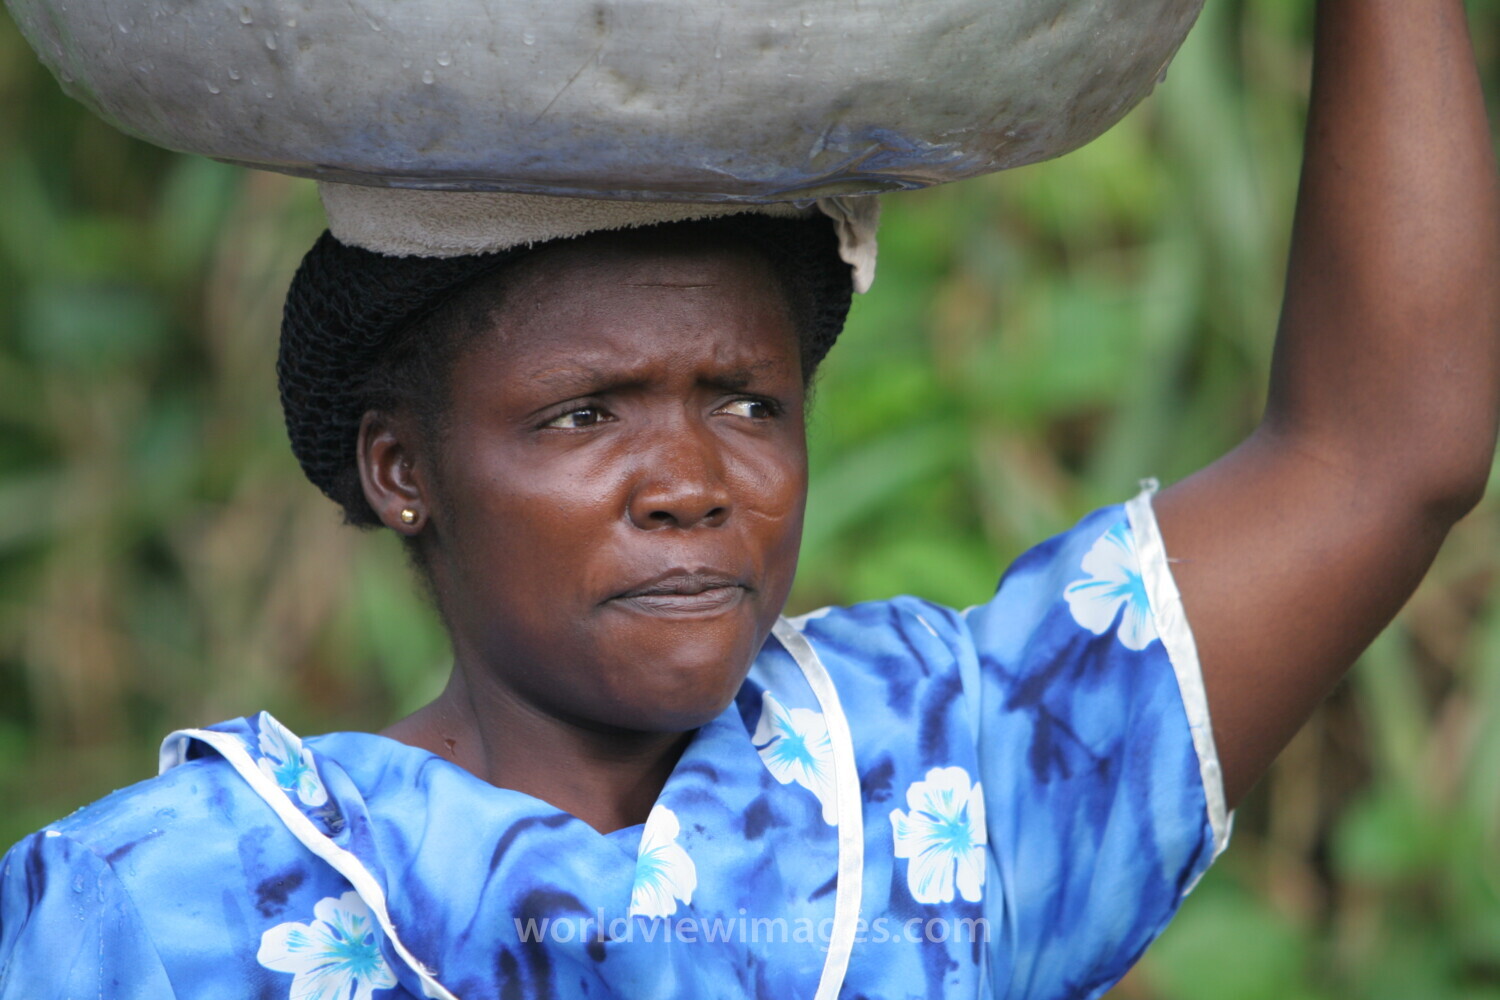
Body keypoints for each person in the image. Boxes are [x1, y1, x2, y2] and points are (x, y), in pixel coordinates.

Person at [1, 1, 1495, 997]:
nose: (691, 485)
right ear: (403, 469)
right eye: (585, 415)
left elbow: (1382, 456)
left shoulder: (937, 784)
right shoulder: (171, 908)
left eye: (746, 403)